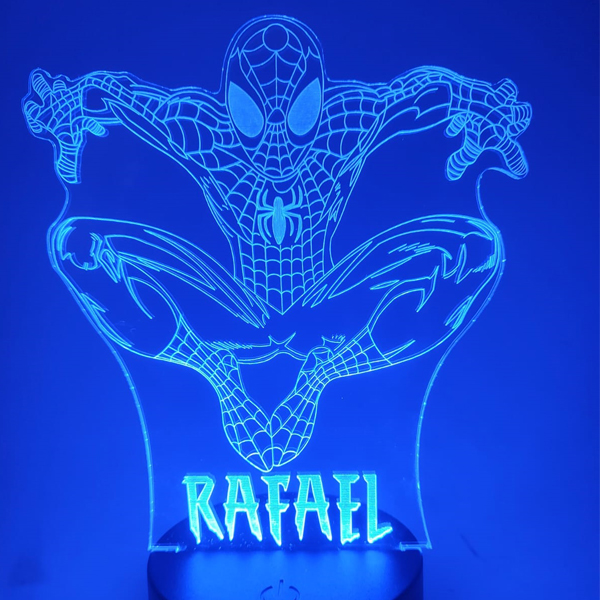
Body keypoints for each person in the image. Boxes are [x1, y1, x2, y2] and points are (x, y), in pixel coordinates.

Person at [22, 16, 530, 472]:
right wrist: (68, 108)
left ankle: (323, 373)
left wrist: (479, 104)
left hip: (326, 312)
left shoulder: (348, 122)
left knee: (477, 250)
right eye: (251, 117)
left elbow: (419, 95)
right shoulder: (203, 131)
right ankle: (214, 368)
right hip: (234, 317)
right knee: (77, 244)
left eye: (300, 113)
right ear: (229, 103)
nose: (276, 143)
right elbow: (117, 96)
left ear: (320, 97)